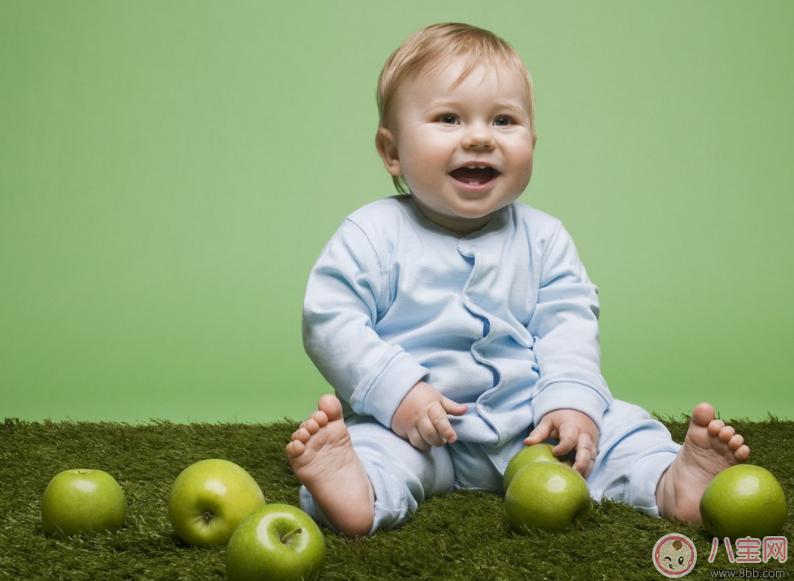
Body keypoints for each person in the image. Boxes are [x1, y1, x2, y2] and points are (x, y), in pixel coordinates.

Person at [286, 22, 749, 537]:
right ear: (392, 151)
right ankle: (357, 492)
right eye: (448, 118)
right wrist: (398, 393)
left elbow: (568, 325)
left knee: (616, 430)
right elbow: (330, 321)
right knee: (377, 451)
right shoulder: (371, 235)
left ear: (532, 140)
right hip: (418, 431)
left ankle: (670, 480)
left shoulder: (544, 238)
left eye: (504, 120)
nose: (480, 137)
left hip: (533, 424)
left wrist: (570, 401)